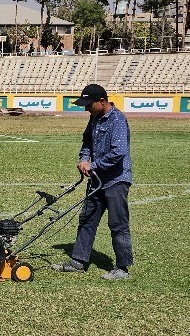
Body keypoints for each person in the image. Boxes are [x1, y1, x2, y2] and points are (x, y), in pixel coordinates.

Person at [52, 83, 134, 281]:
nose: (86, 109)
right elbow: (87, 141)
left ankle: (122, 268)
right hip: (96, 180)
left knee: (118, 224)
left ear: (102, 101)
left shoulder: (118, 120)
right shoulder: (94, 118)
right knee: (87, 219)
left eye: (89, 105)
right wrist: (84, 159)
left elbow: (119, 152)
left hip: (116, 180)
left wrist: (94, 165)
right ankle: (78, 261)